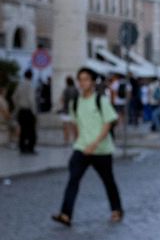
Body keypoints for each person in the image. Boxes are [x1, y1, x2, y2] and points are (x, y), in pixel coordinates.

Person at [51, 67, 123, 227]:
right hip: (82, 148)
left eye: (85, 79)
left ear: (92, 82)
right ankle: (65, 214)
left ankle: (117, 209)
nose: (82, 83)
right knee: (73, 179)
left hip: (101, 149)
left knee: (108, 181)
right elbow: (75, 124)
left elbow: (108, 122)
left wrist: (95, 143)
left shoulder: (100, 100)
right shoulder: (75, 103)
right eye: (80, 79)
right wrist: (78, 142)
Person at [13, 69, 37, 154]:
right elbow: (31, 99)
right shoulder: (30, 85)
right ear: (31, 76)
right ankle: (30, 148)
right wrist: (34, 112)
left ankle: (22, 147)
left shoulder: (20, 85)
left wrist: (18, 106)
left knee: (23, 130)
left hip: (21, 111)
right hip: (28, 111)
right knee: (31, 131)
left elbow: (14, 97)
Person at [59, 76, 79, 146]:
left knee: (65, 127)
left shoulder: (66, 90)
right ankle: (76, 140)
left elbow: (62, 99)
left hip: (66, 110)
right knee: (74, 127)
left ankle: (66, 140)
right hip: (74, 110)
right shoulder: (76, 89)